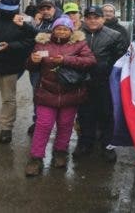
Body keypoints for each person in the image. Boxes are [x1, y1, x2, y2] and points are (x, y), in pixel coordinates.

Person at [25, 16, 96, 176]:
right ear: (53, 29)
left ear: (71, 31)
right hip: (46, 93)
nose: (61, 31)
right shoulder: (42, 43)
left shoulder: (79, 44)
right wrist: (33, 60)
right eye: (58, 28)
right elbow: (30, 66)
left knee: (65, 125)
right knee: (43, 125)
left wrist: (66, 60)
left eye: (65, 29)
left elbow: (90, 61)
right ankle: (36, 158)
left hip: (70, 93)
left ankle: (60, 152)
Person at [74, 6, 128, 163]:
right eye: (89, 17)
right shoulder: (76, 34)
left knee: (106, 114)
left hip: (105, 83)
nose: (92, 20)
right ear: (84, 19)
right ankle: (85, 143)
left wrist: (106, 70)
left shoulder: (115, 36)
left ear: (102, 19)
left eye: (96, 17)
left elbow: (121, 59)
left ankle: (108, 145)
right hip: (82, 82)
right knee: (84, 114)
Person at [0, 0, 36, 142]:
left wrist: (10, 46)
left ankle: (6, 129)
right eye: (4, 7)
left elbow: (30, 42)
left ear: (18, 8)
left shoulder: (24, 22)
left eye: (10, 8)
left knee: (8, 99)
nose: (6, 11)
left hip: (9, 66)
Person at [27, 0, 63, 135]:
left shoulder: (61, 21)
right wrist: (34, 24)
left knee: (58, 94)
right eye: (43, 9)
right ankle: (38, 121)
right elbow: (30, 39)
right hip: (37, 65)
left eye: (49, 8)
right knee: (37, 94)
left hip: (54, 65)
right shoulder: (37, 21)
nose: (46, 11)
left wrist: (33, 28)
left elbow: (49, 34)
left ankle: (59, 125)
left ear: (54, 9)